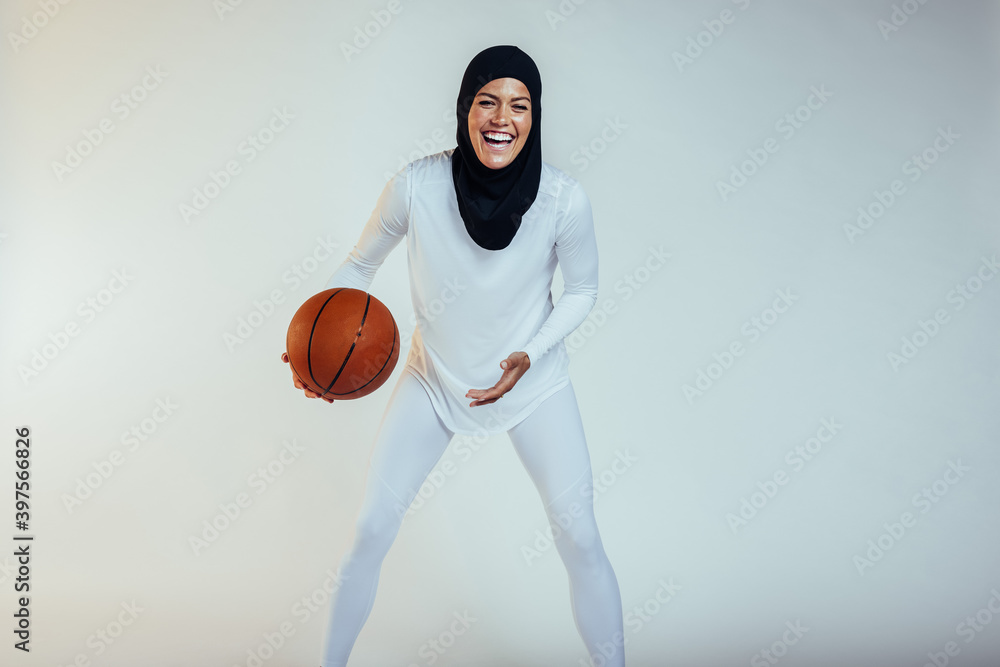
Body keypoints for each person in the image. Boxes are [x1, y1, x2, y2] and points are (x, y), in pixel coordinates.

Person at [281, 44, 626, 667]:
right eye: (487, 101)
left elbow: (584, 291)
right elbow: (359, 266)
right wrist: (309, 342)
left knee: (579, 536)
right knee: (369, 531)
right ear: (465, 108)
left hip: (535, 384)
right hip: (433, 379)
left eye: (519, 105)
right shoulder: (416, 186)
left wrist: (530, 352)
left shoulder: (564, 200)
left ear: (535, 115)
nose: (502, 118)